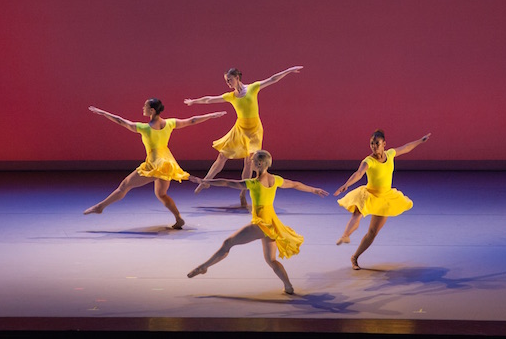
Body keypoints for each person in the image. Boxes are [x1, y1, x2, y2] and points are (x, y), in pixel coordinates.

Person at [186, 149, 328, 294]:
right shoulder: (275, 180)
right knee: (271, 260)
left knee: (228, 243)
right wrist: (313, 190)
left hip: (260, 224)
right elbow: (294, 184)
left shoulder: (253, 183)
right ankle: (288, 286)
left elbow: (227, 183)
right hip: (272, 223)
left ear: (259, 164)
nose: (250, 162)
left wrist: (204, 181)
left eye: (252, 160)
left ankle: (203, 267)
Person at [83, 99, 226, 229]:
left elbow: (122, 121)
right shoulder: (170, 123)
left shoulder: (145, 128)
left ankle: (100, 207)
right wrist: (210, 115)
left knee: (124, 186)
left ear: (152, 110)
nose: (143, 108)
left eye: (145, 106)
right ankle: (178, 218)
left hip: (155, 163)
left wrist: (104, 113)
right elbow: (192, 120)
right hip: (168, 163)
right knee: (161, 194)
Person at [184, 66, 303, 207]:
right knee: (222, 156)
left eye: (230, 80)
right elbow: (209, 100)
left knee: (248, 162)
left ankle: (243, 194)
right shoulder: (231, 96)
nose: (228, 83)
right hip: (240, 129)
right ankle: (205, 181)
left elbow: (272, 79)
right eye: (226, 81)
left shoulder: (252, 88)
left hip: (254, 131)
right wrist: (194, 101)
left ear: (237, 78)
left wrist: (289, 70)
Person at [334, 130, 431, 270]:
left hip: (384, 197)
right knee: (357, 214)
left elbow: (406, 147)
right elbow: (359, 173)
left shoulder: (390, 154)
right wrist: (346, 185)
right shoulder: (368, 161)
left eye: (377, 143)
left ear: (384, 144)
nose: (374, 146)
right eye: (371, 144)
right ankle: (345, 235)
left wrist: (421, 141)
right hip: (369, 194)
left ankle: (354, 257)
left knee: (373, 232)